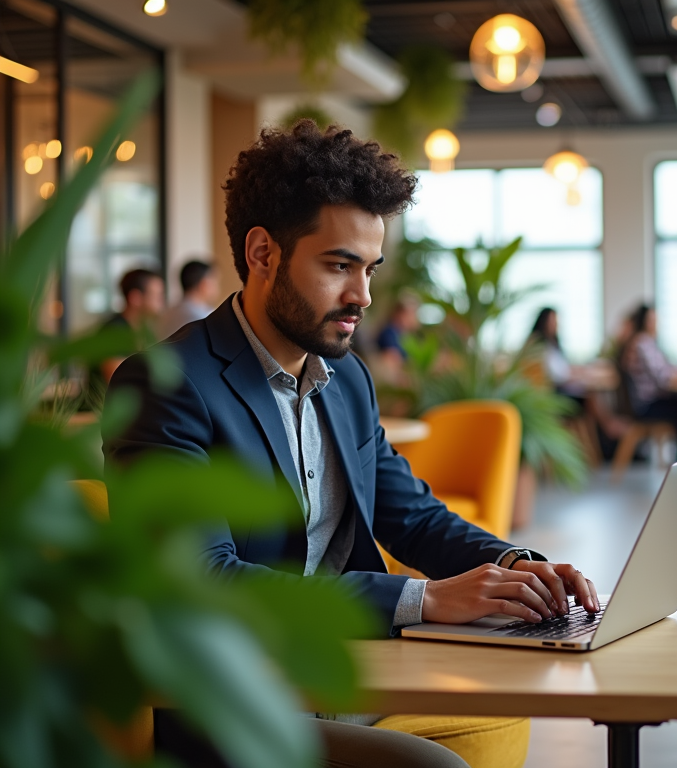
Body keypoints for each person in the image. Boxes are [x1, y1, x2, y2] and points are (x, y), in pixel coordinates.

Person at [103, 121, 598, 768]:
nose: (362, 296)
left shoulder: (347, 380)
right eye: (339, 266)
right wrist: (426, 599)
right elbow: (199, 580)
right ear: (262, 254)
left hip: (346, 674)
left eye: (370, 269)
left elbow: (412, 515)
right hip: (235, 700)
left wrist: (516, 566)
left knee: (503, 704)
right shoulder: (168, 383)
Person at [617, 304, 677, 459]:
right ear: (644, 321)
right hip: (645, 405)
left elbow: (663, 368)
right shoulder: (642, 342)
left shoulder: (643, 341)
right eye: (652, 319)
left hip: (643, 402)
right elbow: (662, 377)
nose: (655, 323)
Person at [97, 268, 165, 384]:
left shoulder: (143, 330)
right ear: (135, 298)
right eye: (157, 296)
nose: (162, 301)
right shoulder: (114, 331)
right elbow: (116, 378)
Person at [527, 307, 585, 399]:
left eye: (556, 321)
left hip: (559, 385)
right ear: (543, 322)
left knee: (587, 390)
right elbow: (552, 374)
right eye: (552, 321)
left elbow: (561, 368)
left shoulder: (553, 344)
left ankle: (602, 413)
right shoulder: (538, 345)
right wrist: (570, 377)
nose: (555, 324)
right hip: (550, 390)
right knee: (587, 393)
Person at [159, 259, 220, 338]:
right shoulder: (206, 318)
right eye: (214, 282)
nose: (217, 287)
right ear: (204, 284)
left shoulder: (167, 314)